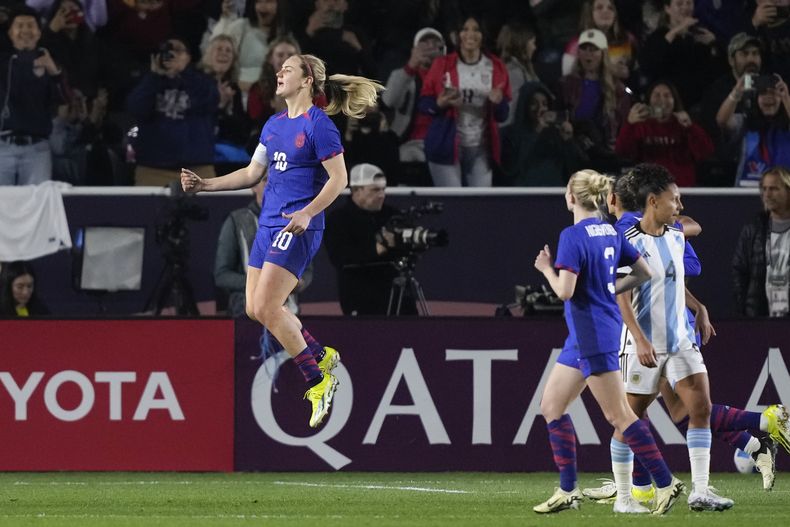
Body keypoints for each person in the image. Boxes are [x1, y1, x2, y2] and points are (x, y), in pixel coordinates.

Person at [181, 53, 383, 428]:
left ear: (307, 81)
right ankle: (320, 355)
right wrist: (206, 185)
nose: (279, 73)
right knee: (255, 309)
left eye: (287, 69)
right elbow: (251, 172)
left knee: (268, 306)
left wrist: (308, 212)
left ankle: (319, 379)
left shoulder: (319, 125)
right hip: (268, 226)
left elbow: (339, 180)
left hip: (297, 227)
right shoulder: (274, 124)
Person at [580, 169, 787, 501]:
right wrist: (697, 303)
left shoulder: (631, 230)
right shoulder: (661, 228)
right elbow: (683, 250)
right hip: (665, 322)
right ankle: (752, 442)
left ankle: (638, 489)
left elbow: (671, 269)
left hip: (653, 330)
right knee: (681, 410)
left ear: (613, 199)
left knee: (637, 415)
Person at [532, 169, 685, 515]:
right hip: (587, 333)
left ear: (572, 196)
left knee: (620, 416)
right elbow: (644, 271)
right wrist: (610, 289)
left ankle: (666, 483)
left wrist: (545, 268)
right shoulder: (609, 231)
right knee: (551, 407)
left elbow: (565, 291)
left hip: (591, 333)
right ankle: (568, 491)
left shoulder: (572, 235)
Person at [611, 163, 733, 511]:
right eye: (674, 200)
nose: (679, 207)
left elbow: (672, 283)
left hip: (680, 340)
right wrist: (639, 338)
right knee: (629, 420)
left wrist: (698, 307)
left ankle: (701, 490)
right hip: (642, 345)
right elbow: (621, 295)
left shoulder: (677, 239)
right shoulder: (629, 241)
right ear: (653, 202)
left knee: (701, 408)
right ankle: (624, 499)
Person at [419, 14, 511, 187]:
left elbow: (502, 115)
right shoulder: (441, 64)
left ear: (483, 35)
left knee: (481, 206)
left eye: (476, 30)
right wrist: (439, 104)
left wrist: (497, 102)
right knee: (452, 205)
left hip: (481, 149)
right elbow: (424, 105)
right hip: (445, 146)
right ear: (457, 35)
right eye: (465, 29)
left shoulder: (496, 66)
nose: (470, 34)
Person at [324, 163, 417, 316]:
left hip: (398, 297)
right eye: (375, 190)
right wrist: (377, 248)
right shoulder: (338, 219)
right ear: (356, 190)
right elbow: (340, 258)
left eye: (383, 189)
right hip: (360, 298)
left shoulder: (393, 215)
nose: (381, 195)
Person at [126, 36, 219, 186]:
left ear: (188, 57)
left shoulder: (202, 80)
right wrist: (155, 77)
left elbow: (210, 101)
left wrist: (185, 73)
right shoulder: (147, 80)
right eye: (167, 51)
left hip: (197, 168)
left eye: (178, 51)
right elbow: (136, 108)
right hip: (152, 169)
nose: (172, 55)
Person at [214, 179, 312, 317]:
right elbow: (222, 275)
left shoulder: (294, 219)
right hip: (246, 313)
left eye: (277, 178)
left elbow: (306, 270)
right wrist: (262, 283)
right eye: (266, 179)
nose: (272, 183)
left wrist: (298, 282)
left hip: (288, 313)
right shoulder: (237, 220)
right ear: (254, 186)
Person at [0, 5, 67, 186]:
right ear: (10, 33)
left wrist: (54, 73)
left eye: (30, 25)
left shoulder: (49, 62)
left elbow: (64, 100)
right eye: (19, 26)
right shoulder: (3, 62)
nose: (25, 31)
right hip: (2, 146)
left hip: (37, 149)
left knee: (36, 204)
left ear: (38, 32)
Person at [558, 28, 630, 173]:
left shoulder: (618, 90)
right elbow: (559, 112)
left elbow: (622, 125)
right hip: (574, 149)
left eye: (593, 50)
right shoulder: (565, 84)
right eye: (584, 49)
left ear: (603, 54)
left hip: (605, 154)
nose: (588, 54)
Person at [615, 80, 714, 187]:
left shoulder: (683, 125)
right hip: (649, 189)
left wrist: (691, 128)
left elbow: (706, 152)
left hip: (681, 189)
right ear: (649, 100)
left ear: (674, 101)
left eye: (667, 96)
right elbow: (622, 152)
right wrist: (629, 124)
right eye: (657, 95)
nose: (662, 100)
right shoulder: (640, 125)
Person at [639, 0, 726, 110]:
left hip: (699, 104)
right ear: (667, 8)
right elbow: (648, 65)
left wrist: (714, 44)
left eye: (689, 3)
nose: (685, 8)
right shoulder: (658, 37)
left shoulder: (701, 36)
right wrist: (675, 31)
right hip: (668, 105)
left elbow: (718, 70)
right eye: (679, 4)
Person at [382, 27, 446, 163]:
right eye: (424, 44)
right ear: (414, 50)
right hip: (410, 142)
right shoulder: (403, 75)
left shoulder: (451, 77)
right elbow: (388, 101)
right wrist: (411, 66)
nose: (429, 48)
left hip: (443, 141)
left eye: (435, 44)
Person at [733, 166, 790, 317]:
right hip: (760, 314)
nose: (767, 194)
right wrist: (745, 309)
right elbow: (739, 271)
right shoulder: (753, 229)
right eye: (764, 189)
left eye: (774, 189)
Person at [200, 34, 255, 173]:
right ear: (207, 55)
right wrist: (219, 106)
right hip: (201, 151)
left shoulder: (232, 88)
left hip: (229, 151)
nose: (223, 53)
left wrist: (226, 110)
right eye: (219, 49)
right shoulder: (196, 83)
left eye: (228, 50)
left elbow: (242, 132)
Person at [723, 74, 790, 187]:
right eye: (763, 93)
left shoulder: (787, 124)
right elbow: (722, 120)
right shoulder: (745, 121)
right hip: (747, 190)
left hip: (784, 193)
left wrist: (786, 97)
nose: (768, 97)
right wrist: (736, 92)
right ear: (756, 98)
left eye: (773, 93)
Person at [208, 0, 283, 92]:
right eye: (258, 2)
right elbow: (215, 49)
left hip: (273, 94)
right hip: (239, 92)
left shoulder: (285, 34)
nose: (263, 6)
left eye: (268, 2)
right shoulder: (241, 27)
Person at [561, 0, 638, 86]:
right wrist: (610, 69)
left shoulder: (627, 38)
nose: (606, 11)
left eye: (610, 8)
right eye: (599, 7)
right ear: (589, 13)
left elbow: (634, 69)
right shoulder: (576, 44)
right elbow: (568, 80)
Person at [496, 22, 539, 127]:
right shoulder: (514, 72)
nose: (535, 47)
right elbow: (509, 115)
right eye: (532, 43)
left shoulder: (521, 68)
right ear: (522, 44)